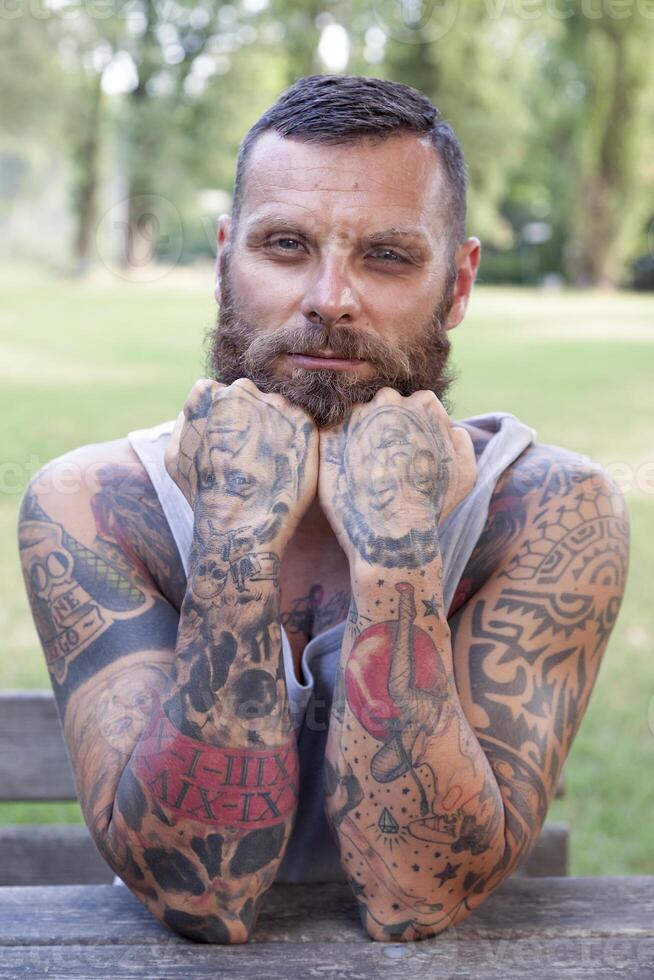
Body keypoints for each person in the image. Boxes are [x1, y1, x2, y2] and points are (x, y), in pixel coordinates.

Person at [18, 74, 630, 944]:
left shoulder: (552, 512)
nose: (329, 297)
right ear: (228, 260)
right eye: (285, 245)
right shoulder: (91, 507)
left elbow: (413, 894)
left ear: (457, 286)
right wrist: (236, 534)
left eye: (386, 256)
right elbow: (204, 894)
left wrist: (397, 553)